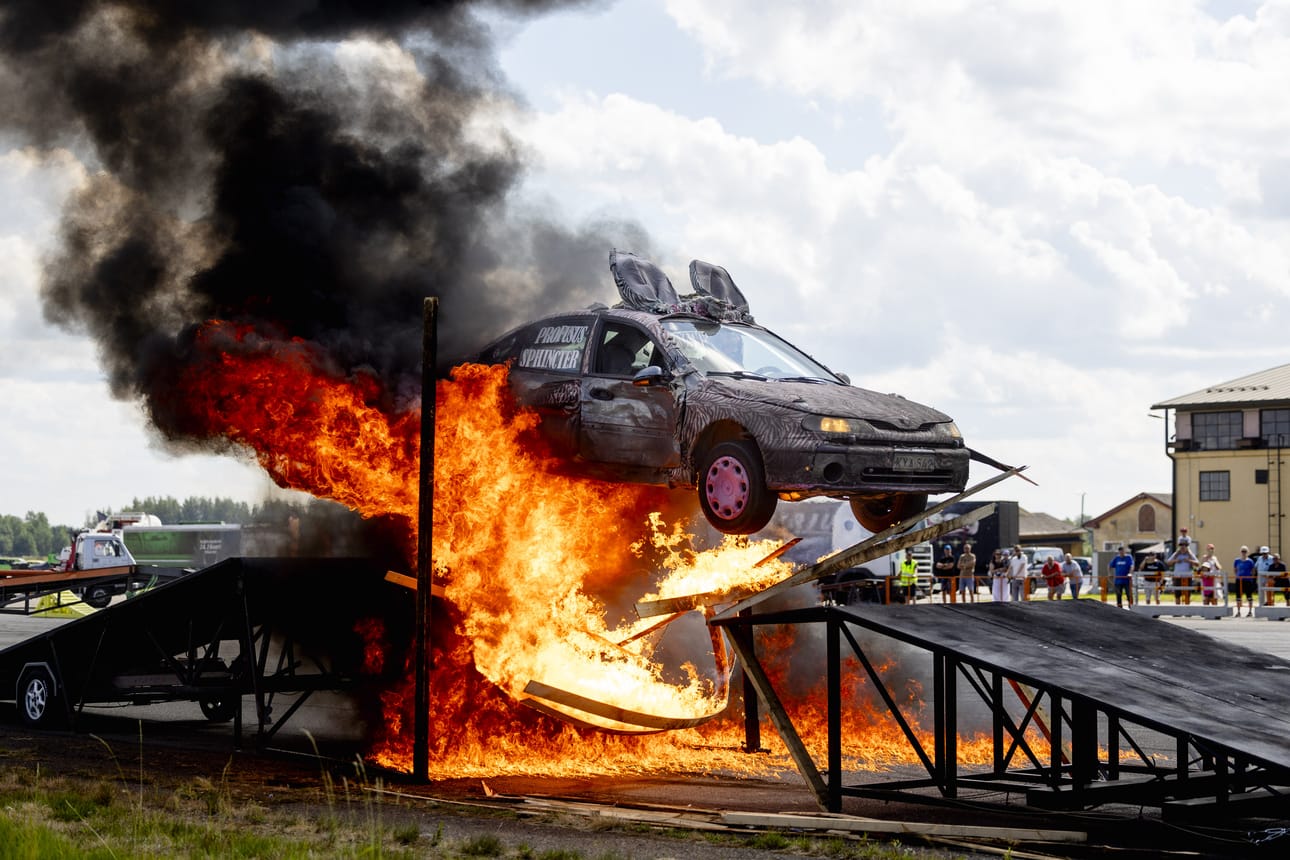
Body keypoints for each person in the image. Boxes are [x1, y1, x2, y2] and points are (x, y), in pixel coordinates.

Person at [1165, 537, 1199, 605]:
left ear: (1187, 546)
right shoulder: (1176, 554)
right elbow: (1168, 563)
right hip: (1177, 577)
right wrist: (1176, 560)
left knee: (1187, 594)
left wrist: (1189, 560)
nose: (1183, 547)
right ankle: (1178, 609)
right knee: (1177, 594)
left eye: (1185, 545)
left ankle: (1187, 609)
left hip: (1187, 577)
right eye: (1181, 545)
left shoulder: (1190, 554)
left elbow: (1197, 563)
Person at [1232, 545, 1256, 617]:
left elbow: (1253, 571)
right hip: (1239, 580)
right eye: (1242, 551)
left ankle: (1250, 612)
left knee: (1249, 595)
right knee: (1238, 596)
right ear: (1240, 552)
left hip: (1248, 580)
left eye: (1245, 551)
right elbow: (1235, 570)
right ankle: (1238, 611)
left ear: (1247, 552)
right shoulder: (1237, 560)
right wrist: (1238, 575)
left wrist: (1250, 577)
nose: (1243, 553)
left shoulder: (1250, 561)